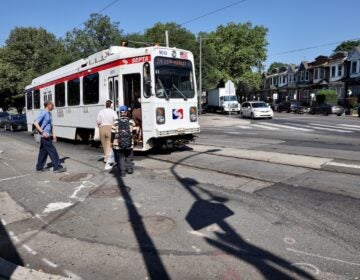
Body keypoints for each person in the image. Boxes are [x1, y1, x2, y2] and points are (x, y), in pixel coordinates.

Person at [34, 101, 66, 173]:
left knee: (43, 153)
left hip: (47, 136)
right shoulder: (44, 112)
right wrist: (42, 132)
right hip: (45, 137)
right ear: (48, 105)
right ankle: (57, 167)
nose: (53, 106)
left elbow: (51, 125)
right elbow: (35, 123)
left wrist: (54, 136)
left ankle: (39, 168)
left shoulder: (49, 113)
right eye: (52, 105)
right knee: (53, 151)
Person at [111, 106, 135, 177]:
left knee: (120, 158)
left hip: (118, 144)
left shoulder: (115, 122)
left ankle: (122, 172)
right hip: (129, 143)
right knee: (129, 157)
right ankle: (130, 169)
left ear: (119, 113)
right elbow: (134, 132)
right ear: (127, 112)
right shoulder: (131, 121)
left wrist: (111, 142)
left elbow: (112, 133)